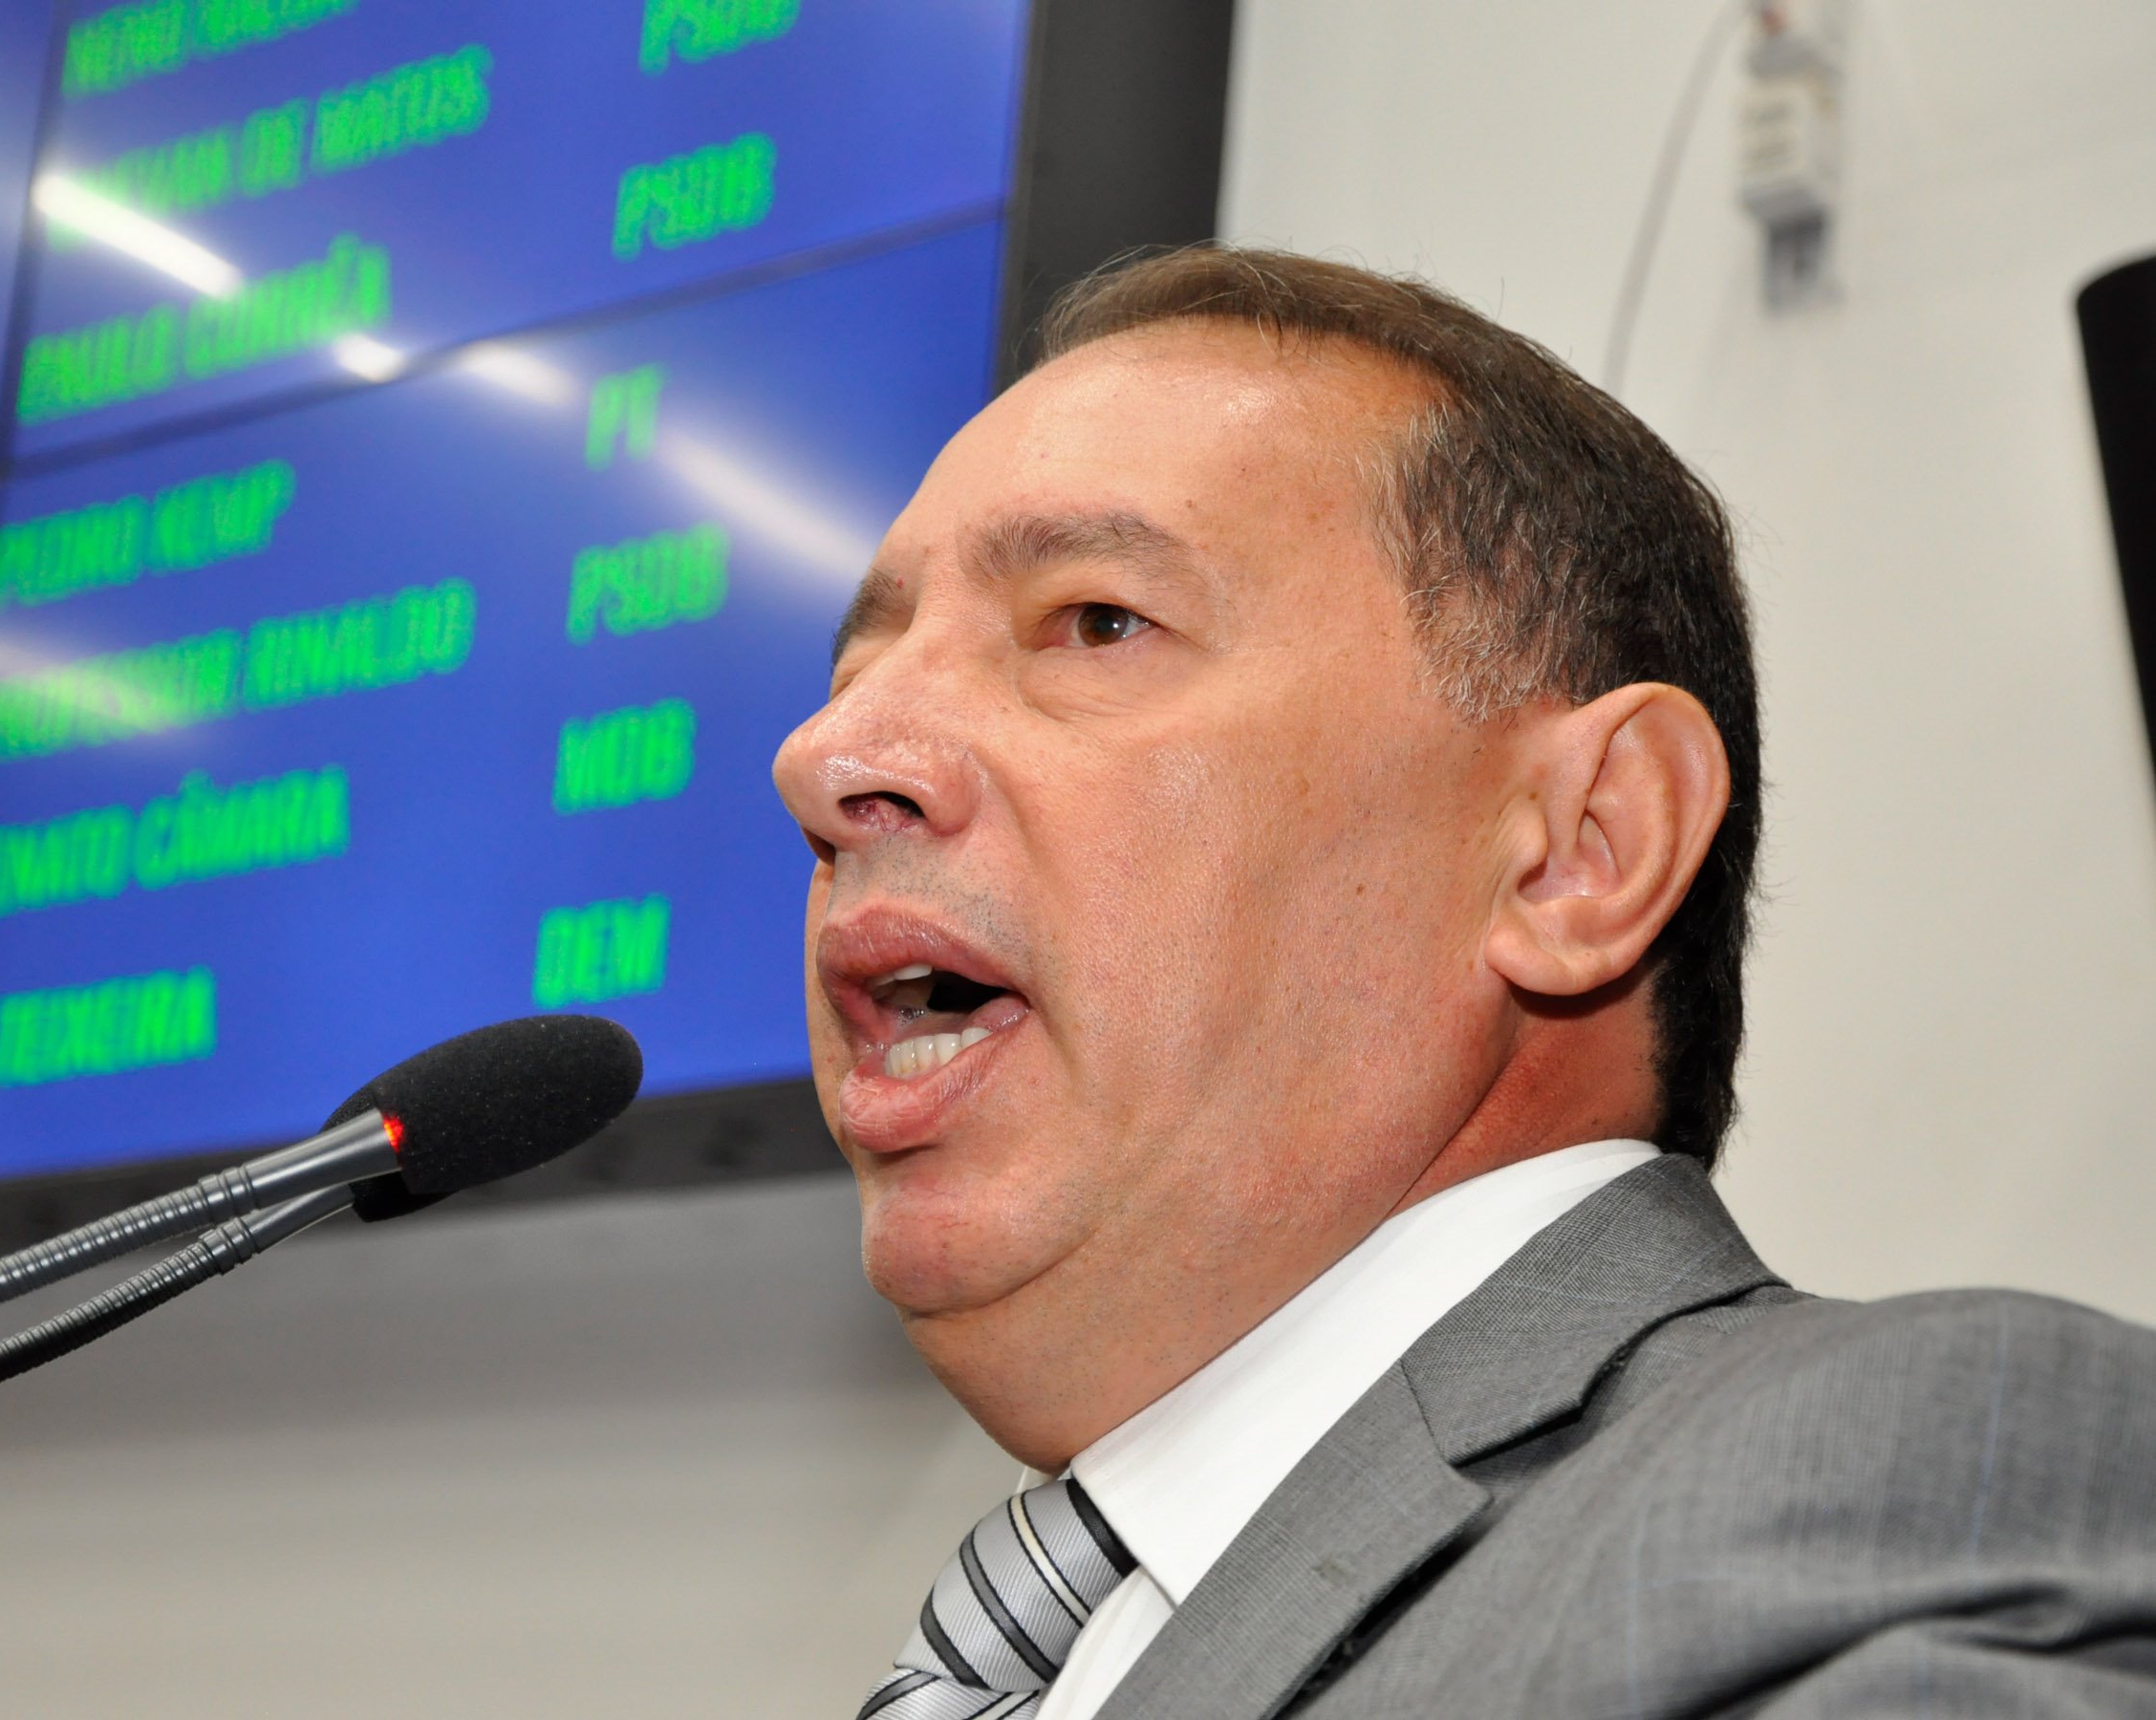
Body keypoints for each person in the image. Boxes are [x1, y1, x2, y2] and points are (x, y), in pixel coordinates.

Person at [772, 247, 2156, 1719]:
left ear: (1578, 851)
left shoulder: (1892, 1485)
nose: (825, 755)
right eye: (855, 674)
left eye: (1097, 622)